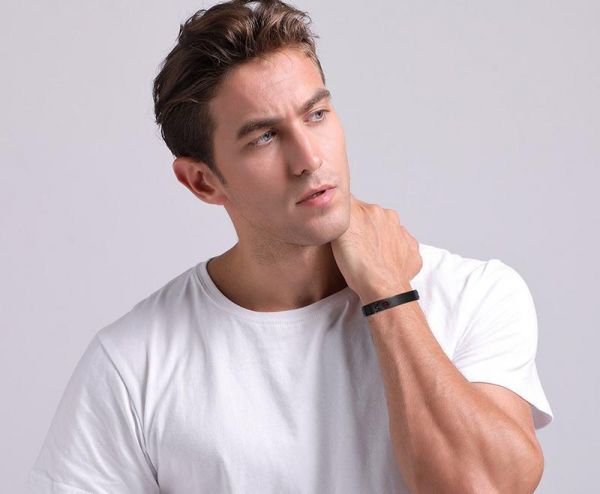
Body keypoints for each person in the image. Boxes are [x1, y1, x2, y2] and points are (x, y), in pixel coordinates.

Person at [27, 1, 554, 493]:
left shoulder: (474, 294)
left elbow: (487, 487)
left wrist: (388, 292)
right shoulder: (133, 362)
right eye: (264, 137)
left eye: (316, 114)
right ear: (202, 182)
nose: (308, 158)